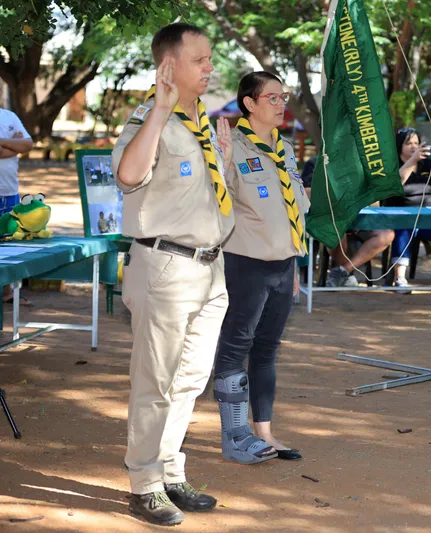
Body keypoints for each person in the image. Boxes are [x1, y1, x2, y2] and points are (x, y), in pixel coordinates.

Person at [113, 22, 233, 526]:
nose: (210, 68)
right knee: (155, 382)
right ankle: (144, 484)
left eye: (210, 59)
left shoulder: (203, 122)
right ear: (169, 67)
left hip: (210, 270)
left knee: (189, 381)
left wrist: (223, 159)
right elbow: (127, 175)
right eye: (200, 60)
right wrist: (159, 112)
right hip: (165, 266)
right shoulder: (151, 118)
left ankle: (168, 470)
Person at [213, 71, 308, 466]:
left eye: (283, 96)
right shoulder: (230, 145)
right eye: (272, 97)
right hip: (246, 263)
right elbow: (216, 200)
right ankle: (234, 436)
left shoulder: (283, 147)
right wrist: (221, 160)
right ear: (249, 103)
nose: (281, 103)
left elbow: (293, 208)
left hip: (283, 264)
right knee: (237, 346)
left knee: (268, 349)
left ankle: (264, 432)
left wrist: (296, 265)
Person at [300, 156, 395, 287]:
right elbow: (307, 193)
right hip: (330, 220)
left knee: (387, 234)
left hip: (360, 220)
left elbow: (375, 202)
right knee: (336, 231)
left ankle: (345, 271)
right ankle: (347, 274)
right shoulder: (315, 163)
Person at [385, 127, 431, 290]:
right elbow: (395, 185)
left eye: (416, 143)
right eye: (408, 143)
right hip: (405, 216)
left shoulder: (429, 165)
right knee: (403, 231)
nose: (413, 146)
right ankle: (400, 279)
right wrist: (412, 161)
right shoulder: (392, 165)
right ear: (399, 146)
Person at [0, 107, 33, 305]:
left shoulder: (9, 116)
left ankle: (7, 293)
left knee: (8, 243)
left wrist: (3, 142)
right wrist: (14, 143)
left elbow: (27, 144)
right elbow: (19, 146)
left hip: (10, 191)